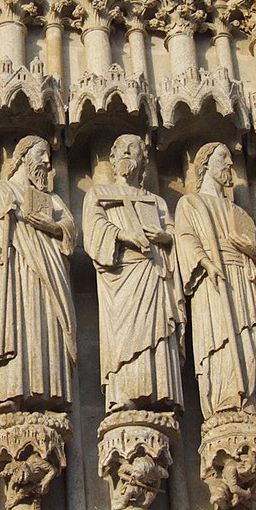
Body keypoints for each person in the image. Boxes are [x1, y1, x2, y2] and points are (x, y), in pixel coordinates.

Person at [175, 142, 256, 419]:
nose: (230, 164)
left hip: (244, 282)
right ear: (205, 164)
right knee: (219, 341)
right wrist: (205, 262)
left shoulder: (240, 212)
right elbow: (185, 238)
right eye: (223, 158)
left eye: (232, 159)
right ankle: (223, 402)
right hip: (211, 282)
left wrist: (254, 253)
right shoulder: (191, 203)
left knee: (249, 338)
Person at [0, 136, 77, 413]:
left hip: (49, 274)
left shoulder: (51, 199)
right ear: (22, 157)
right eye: (41, 154)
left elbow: (69, 227)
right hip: (14, 272)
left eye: (49, 157)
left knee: (45, 324)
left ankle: (51, 390)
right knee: (17, 324)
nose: (47, 162)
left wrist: (52, 227)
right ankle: (11, 388)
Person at [82, 134, 185, 413]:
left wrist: (164, 237)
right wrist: (125, 237)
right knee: (124, 337)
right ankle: (124, 393)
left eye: (134, 150)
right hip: (120, 274)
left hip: (153, 273)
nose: (128, 154)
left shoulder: (157, 202)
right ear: (112, 160)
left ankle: (160, 390)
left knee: (159, 331)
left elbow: (175, 235)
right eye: (121, 150)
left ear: (144, 161)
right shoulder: (98, 194)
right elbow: (94, 231)